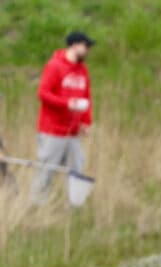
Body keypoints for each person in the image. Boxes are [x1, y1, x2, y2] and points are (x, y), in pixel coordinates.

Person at [32, 31, 93, 205]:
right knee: (46, 171)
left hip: (72, 132)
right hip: (52, 131)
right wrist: (66, 103)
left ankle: (76, 206)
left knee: (77, 169)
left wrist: (85, 121)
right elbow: (43, 93)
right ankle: (37, 206)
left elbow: (86, 97)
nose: (88, 50)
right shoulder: (55, 66)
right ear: (74, 45)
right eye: (86, 46)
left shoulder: (83, 70)